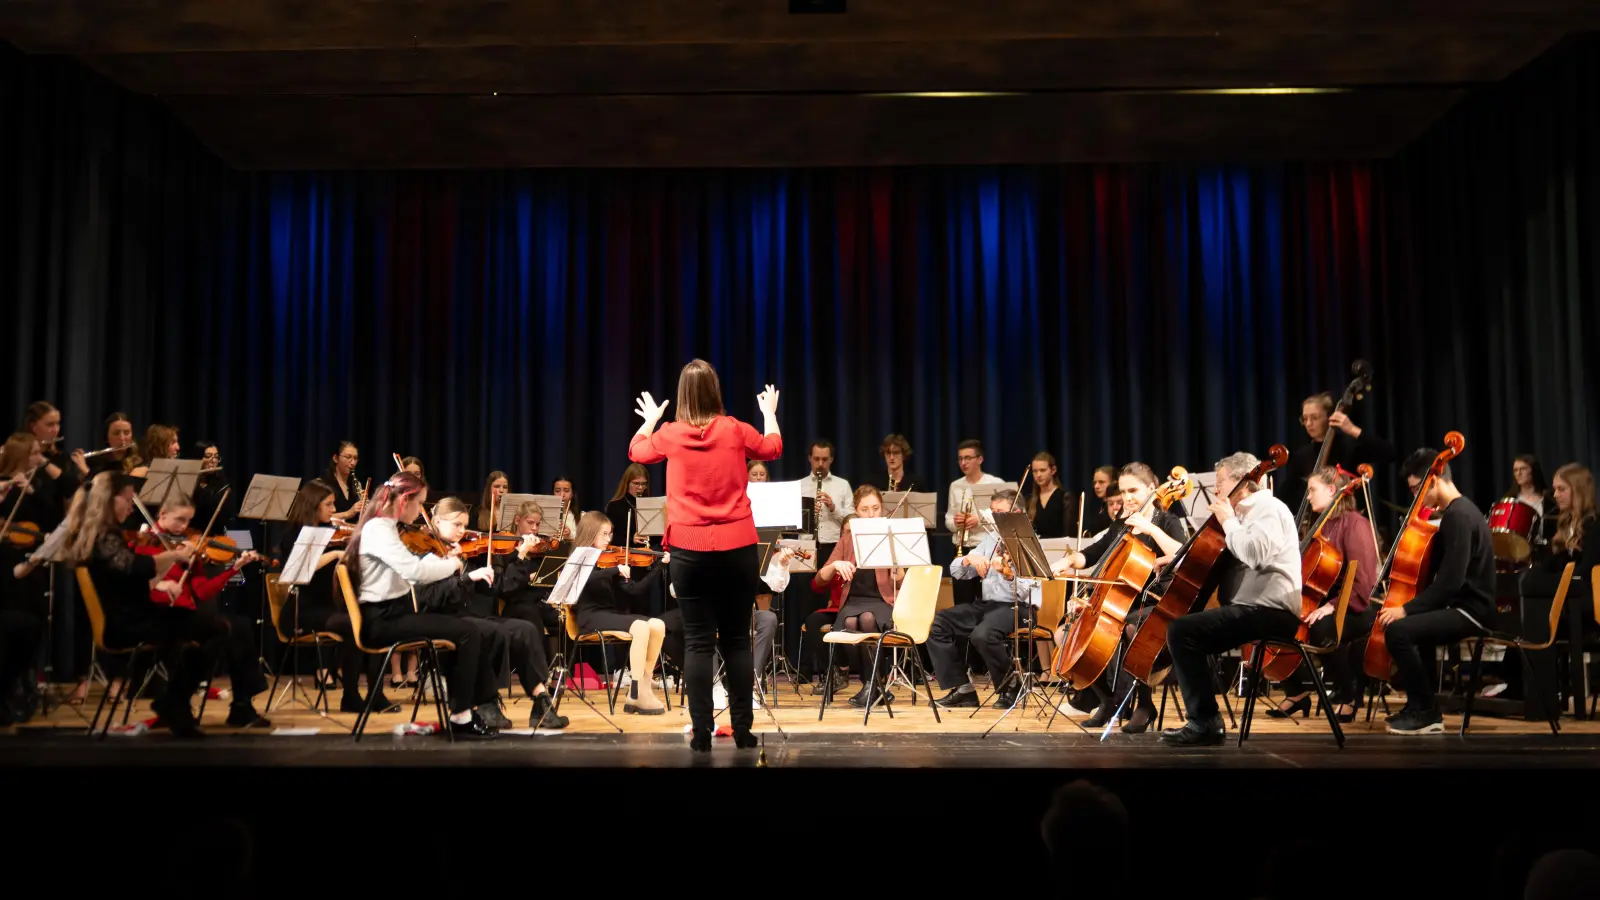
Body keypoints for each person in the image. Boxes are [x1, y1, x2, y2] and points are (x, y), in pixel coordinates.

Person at [628, 359, 783, 751]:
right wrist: (769, 414)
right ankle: (743, 731)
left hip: (689, 551)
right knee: (735, 640)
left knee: (698, 641)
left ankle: (701, 734)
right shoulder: (734, 429)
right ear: (715, 391)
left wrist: (650, 420)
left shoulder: (671, 434)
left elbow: (636, 450)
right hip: (737, 548)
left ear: (682, 395)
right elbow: (773, 447)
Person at [343, 471, 501, 739]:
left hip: (392, 615)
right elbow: (414, 571)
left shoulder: (386, 527)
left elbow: (416, 566)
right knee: (468, 632)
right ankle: (462, 717)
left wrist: (443, 562)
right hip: (381, 620)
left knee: (461, 630)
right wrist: (453, 565)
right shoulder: (378, 529)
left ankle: (461, 712)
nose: (420, 511)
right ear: (404, 500)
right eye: (419, 503)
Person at [1160, 452, 1303, 746]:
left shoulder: (1268, 507)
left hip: (1271, 612)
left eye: (1220, 482)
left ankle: (1204, 722)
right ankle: (1205, 719)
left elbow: (1253, 554)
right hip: (1254, 609)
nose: (1215, 490)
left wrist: (1227, 521)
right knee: (1187, 632)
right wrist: (1178, 558)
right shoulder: (1246, 516)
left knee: (1182, 631)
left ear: (1242, 480)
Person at [60, 472, 208, 735]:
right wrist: (173, 555)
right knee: (216, 630)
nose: (131, 506)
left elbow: (136, 575)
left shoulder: (104, 534)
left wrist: (164, 568)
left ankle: (174, 705)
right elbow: (135, 568)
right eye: (128, 500)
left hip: (134, 617)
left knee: (200, 637)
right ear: (110, 500)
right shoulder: (104, 537)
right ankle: (174, 704)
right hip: (128, 624)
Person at [1049, 463, 1188, 732]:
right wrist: (1067, 561)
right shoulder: (1121, 525)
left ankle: (1144, 704)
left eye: (1133, 490)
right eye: (1123, 492)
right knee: (1065, 634)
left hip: (1157, 602)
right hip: (1121, 602)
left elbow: (1183, 556)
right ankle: (1109, 699)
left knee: (1131, 627)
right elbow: (1092, 553)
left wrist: (1150, 529)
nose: (1127, 497)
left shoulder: (1167, 521)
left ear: (1151, 488)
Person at [413, 498, 567, 730]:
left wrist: (518, 557)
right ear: (436, 522)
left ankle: (540, 701)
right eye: (457, 525)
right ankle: (486, 702)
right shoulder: (427, 554)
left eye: (465, 525)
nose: (463, 532)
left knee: (524, 629)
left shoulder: (464, 554)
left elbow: (499, 586)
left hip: (469, 618)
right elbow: (430, 599)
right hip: (442, 621)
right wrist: (464, 575)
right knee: (490, 630)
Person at [1372, 448, 1496, 736]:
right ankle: (1418, 704)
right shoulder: (1457, 512)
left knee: (1398, 631)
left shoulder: (1459, 516)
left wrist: (1405, 609)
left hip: (1473, 611)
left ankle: (1427, 712)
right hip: (1462, 606)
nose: (1416, 497)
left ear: (1436, 477)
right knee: (1415, 629)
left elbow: (1451, 582)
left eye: (1417, 488)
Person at [136, 494, 272, 728]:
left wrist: (234, 568)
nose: (184, 528)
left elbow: (202, 591)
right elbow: (138, 585)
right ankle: (178, 700)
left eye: (188, 521)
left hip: (187, 613)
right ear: (162, 515)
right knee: (223, 629)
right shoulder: (145, 543)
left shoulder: (186, 547)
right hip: (158, 614)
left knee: (240, 625)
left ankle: (241, 703)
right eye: (179, 520)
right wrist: (165, 572)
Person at [272, 479, 395, 714]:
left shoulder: (330, 532)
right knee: (353, 625)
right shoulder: (294, 535)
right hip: (301, 612)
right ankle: (350, 696)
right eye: (328, 505)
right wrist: (335, 553)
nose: (333, 510)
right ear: (312, 506)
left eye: (332, 504)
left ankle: (375, 692)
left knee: (373, 622)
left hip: (329, 608)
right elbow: (297, 573)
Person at [1272, 466, 1381, 721]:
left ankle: (1349, 693)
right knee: (1274, 622)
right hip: (1323, 603)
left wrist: (1331, 605)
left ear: (1332, 490)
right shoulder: (1321, 525)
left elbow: (1362, 579)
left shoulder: (1355, 524)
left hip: (1356, 607)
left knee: (1321, 628)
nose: (1307, 497)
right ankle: (1296, 693)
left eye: (1312, 490)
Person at [931, 489, 1041, 709]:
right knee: (937, 623)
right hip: (988, 606)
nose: (993, 518)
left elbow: (1029, 592)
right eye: (992, 512)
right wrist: (967, 560)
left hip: (1019, 608)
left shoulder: (1029, 541)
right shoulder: (991, 539)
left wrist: (1009, 575)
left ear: (1016, 512)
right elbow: (957, 572)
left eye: (999, 512)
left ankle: (1010, 687)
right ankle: (964, 690)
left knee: (982, 634)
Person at [566, 510, 669, 715]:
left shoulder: (612, 560)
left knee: (658, 625)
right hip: (589, 617)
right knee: (640, 627)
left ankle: (643, 689)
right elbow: (586, 580)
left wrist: (658, 566)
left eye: (610, 534)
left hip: (608, 614)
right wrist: (615, 570)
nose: (608, 539)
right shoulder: (578, 557)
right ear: (590, 533)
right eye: (603, 534)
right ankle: (637, 689)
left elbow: (635, 590)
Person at [811, 486, 905, 707]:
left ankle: (871, 685)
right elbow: (819, 580)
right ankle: (875, 686)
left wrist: (897, 568)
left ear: (882, 509)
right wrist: (835, 564)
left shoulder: (891, 536)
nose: (871, 515)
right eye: (865, 509)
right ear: (856, 511)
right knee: (849, 622)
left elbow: (901, 582)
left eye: (875, 508)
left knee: (866, 620)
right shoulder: (847, 538)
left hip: (882, 602)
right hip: (853, 601)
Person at [0, 432, 54, 724]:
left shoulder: (36, 488)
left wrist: (32, 491)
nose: (39, 459)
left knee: (32, 632)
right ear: (21, 456)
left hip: (29, 571)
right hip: (3, 574)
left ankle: (15, 689)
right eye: (34, 453)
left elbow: (51, 523)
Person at [1286, 392, 1394, 520]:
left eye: (1314, 418)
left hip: (1348, 520)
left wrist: (1352, 429)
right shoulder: (1302, 455)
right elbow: (1289, 494)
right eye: (1305, 419)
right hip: (1314, 525)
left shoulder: (1349, 446)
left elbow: (1389, 453)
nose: (1308, 424)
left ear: (1330, 417)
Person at [946, 439, 1004, 605]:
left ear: (980, 459)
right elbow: (948, 519)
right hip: (961, 548)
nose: (963, 463)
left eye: (968, 458)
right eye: (960, 458)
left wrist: (980, 520)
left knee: (986, 599)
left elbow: (1005, 518)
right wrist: (956, 522)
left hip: (986, 548)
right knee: (962, 600)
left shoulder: (995, 484)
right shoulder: (955, 486)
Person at [604, 463, 654, 549]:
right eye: (636, 483)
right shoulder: (615, 506)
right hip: (626, 554)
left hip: (649, 553)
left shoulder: (651, 505)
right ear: (627, 483)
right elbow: (610, 538)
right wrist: (631, 538)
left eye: (644, 484)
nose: (641, 488)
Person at [861, 433, 927, 495]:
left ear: (904, 455)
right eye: (888, 453)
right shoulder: (872, 483)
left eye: (896, 453)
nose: (891, 457)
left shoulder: (916, 483)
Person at [1026, 451, 1069, 539]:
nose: (1038, 475)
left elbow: (1069, 533)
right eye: (1035, 471)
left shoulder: (1065, 497)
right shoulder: (1030, 499)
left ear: (1053, 470)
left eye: (1042, 470)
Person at [325, 441, 365, 523]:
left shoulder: (356, 484)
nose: (353, 463)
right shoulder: (324, 484)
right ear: (335, 458)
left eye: (355, 458)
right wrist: (348, 513)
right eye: (348, 457)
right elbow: (319, 517)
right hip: (332, 533)